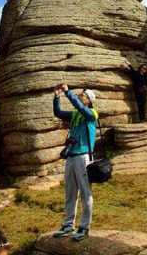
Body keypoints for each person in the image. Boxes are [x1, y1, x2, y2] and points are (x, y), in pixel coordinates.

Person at [52, 83, 99, 241]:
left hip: (84, 157)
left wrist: (68, 92)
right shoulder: (75, 115)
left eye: (83, 95)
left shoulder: (91, 114)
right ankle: (68, 225)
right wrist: (57, 96)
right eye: (81, 95)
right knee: (70, 193)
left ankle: (84, 227)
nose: (80, 96)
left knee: (86, 193)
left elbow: (79, 107)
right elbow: (58, 112)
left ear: (89, 101)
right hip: (71, 157)